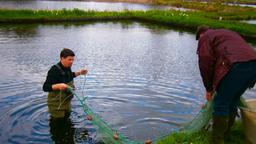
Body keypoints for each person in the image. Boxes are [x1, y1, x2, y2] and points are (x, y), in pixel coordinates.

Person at [196, 25, 256, 144]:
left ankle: (217, 140)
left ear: (201, 35)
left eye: (199, 40)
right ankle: (226, 134)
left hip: (236, 66)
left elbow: (205, 63)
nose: (199, 43)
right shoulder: (226, 32)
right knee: (232, 100)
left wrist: (208, 89)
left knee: (220, 104)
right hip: (254, 66)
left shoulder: (205, 37)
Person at [43, 48, 88, 143]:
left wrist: (79, 73)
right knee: (58, 124)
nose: (71, 62)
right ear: (62, 58)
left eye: (72, 60)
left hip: (67, 101)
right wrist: (59, 85)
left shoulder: (67, 67)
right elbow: (45, 87)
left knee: (67, 119)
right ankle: (57, 138)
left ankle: (68, 134)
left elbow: (69, 75)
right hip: (56, 104)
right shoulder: (54, 70)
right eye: (69, 59)